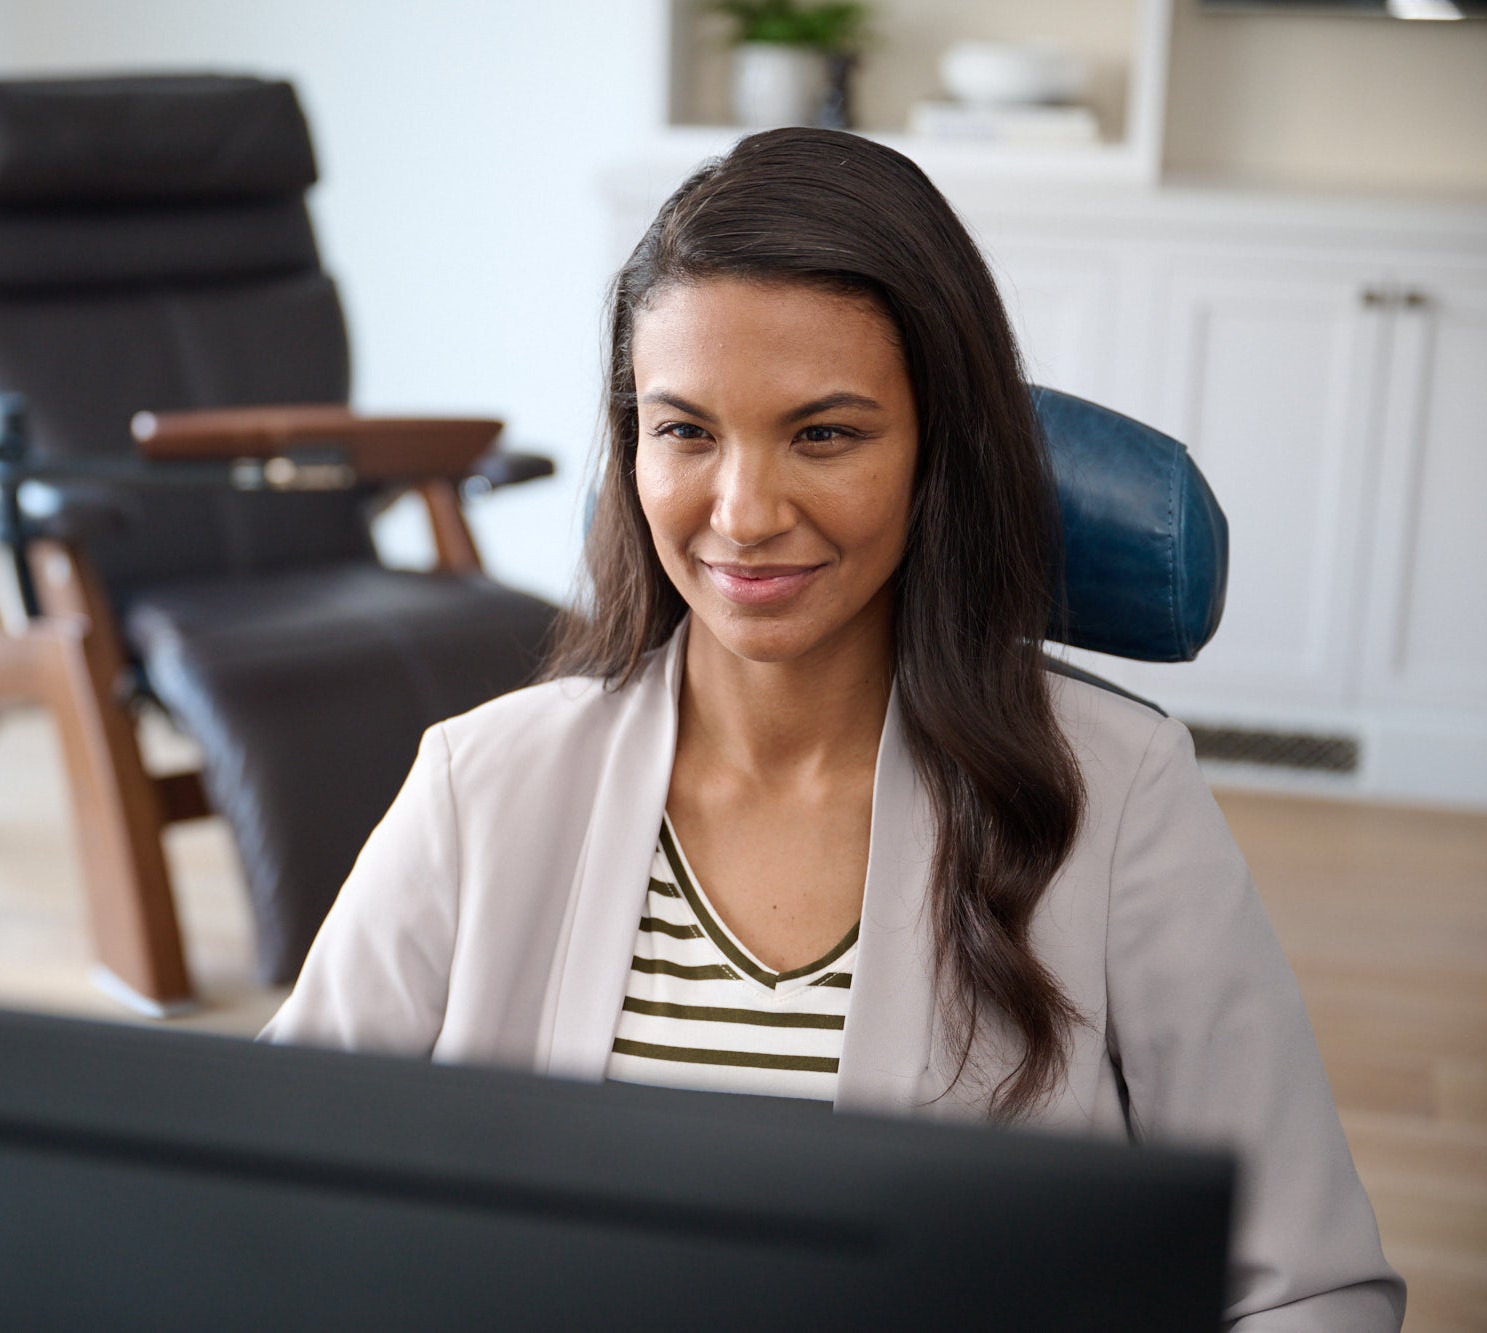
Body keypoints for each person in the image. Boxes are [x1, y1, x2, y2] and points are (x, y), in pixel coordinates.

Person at [261, 128, 1402, 1329]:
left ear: (935, 451)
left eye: (824, 433)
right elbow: (256, 1194)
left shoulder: (1117, 797)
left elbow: (1306, 1286)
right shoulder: (481, 784)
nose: (741, 514)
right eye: (685, 430)